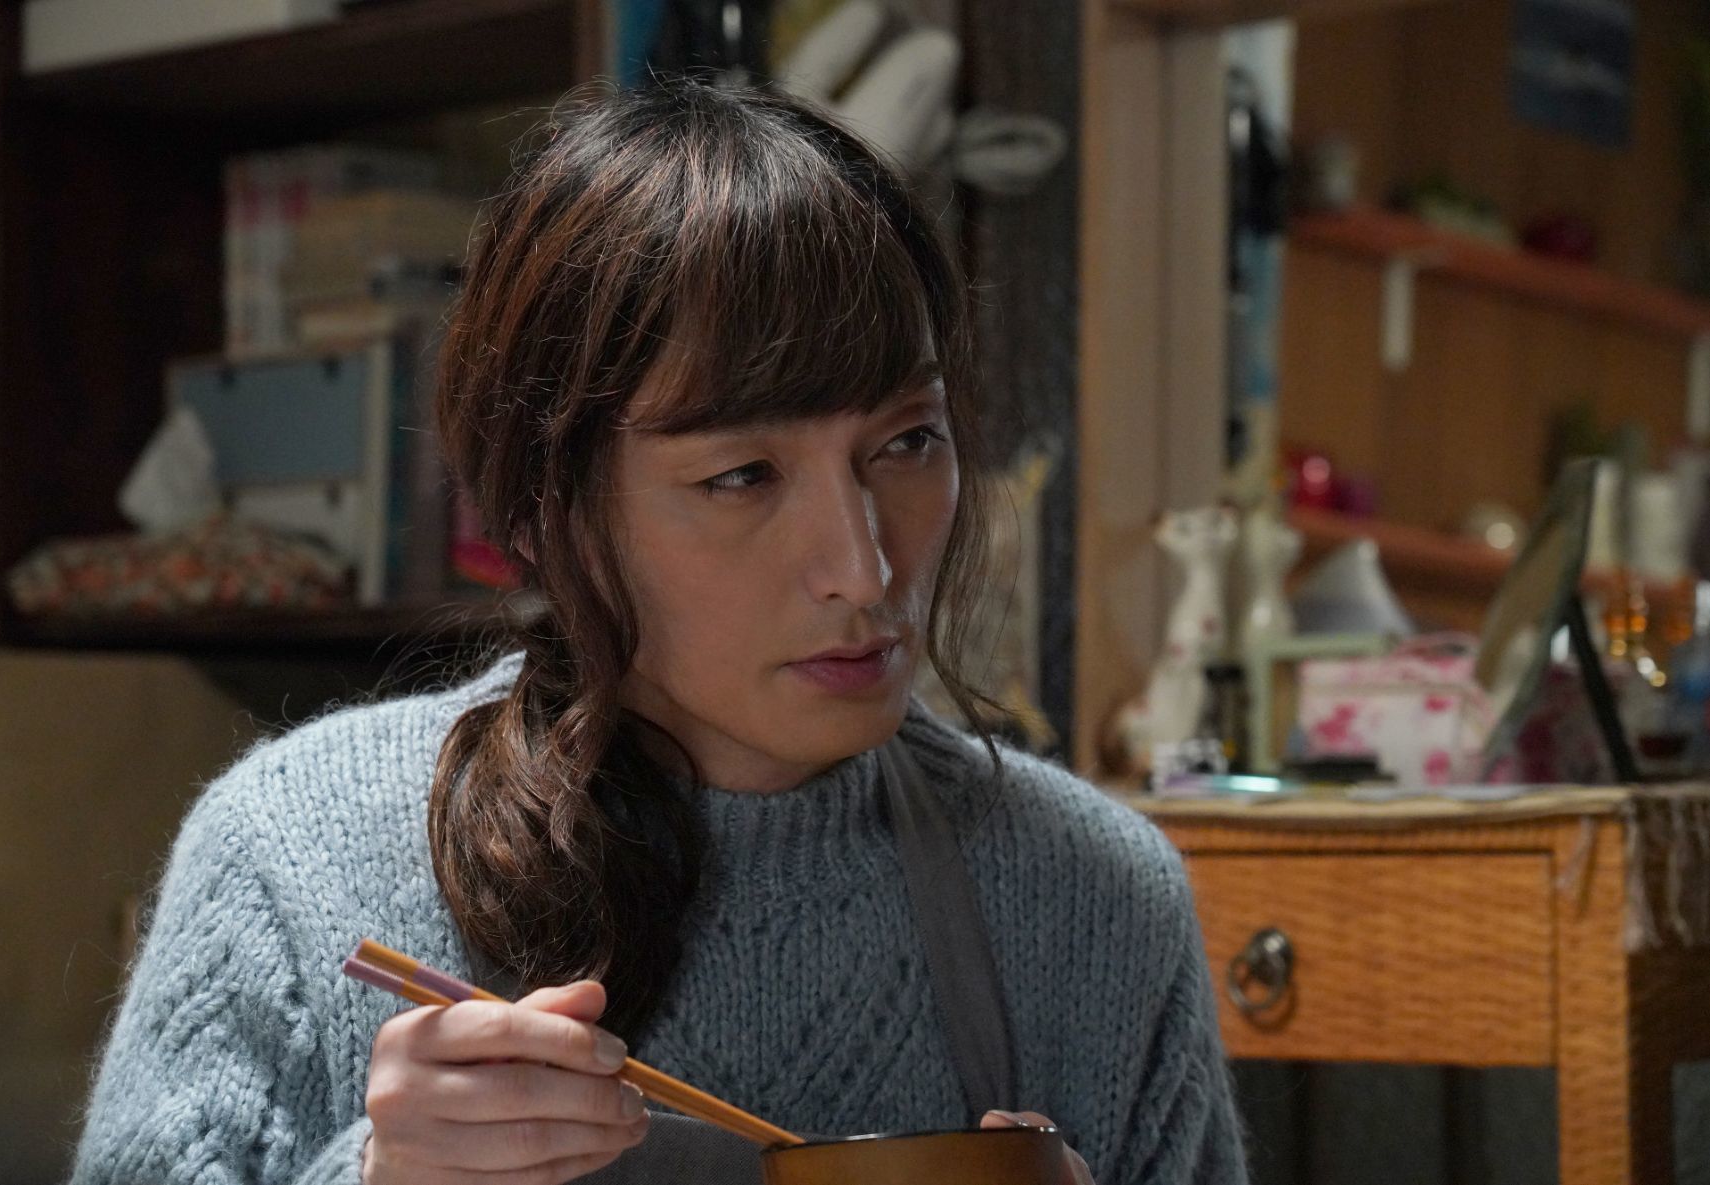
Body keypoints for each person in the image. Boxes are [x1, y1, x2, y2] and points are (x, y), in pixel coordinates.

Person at [68, 79, 1246, 1185]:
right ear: (545, 508)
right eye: (741, 476)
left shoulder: (1097, 902)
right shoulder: (295, 858)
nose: (863, 568)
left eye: (905, 443)